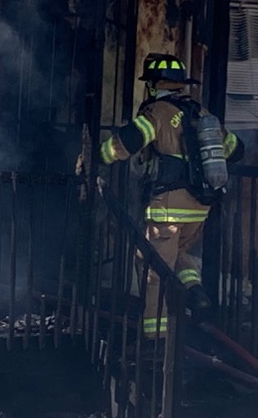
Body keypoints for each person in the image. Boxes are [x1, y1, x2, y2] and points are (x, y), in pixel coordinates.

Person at [99, 53, 243, 340]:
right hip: (200, 207)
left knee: (153, 268)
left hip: (168, 208)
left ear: (153, 86)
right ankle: (196, 292)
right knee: (178, 255)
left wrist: (97, 156)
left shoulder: (158, 113)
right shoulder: (201, 114)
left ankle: (155, 339)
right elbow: (236, 150)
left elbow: (126, 143)